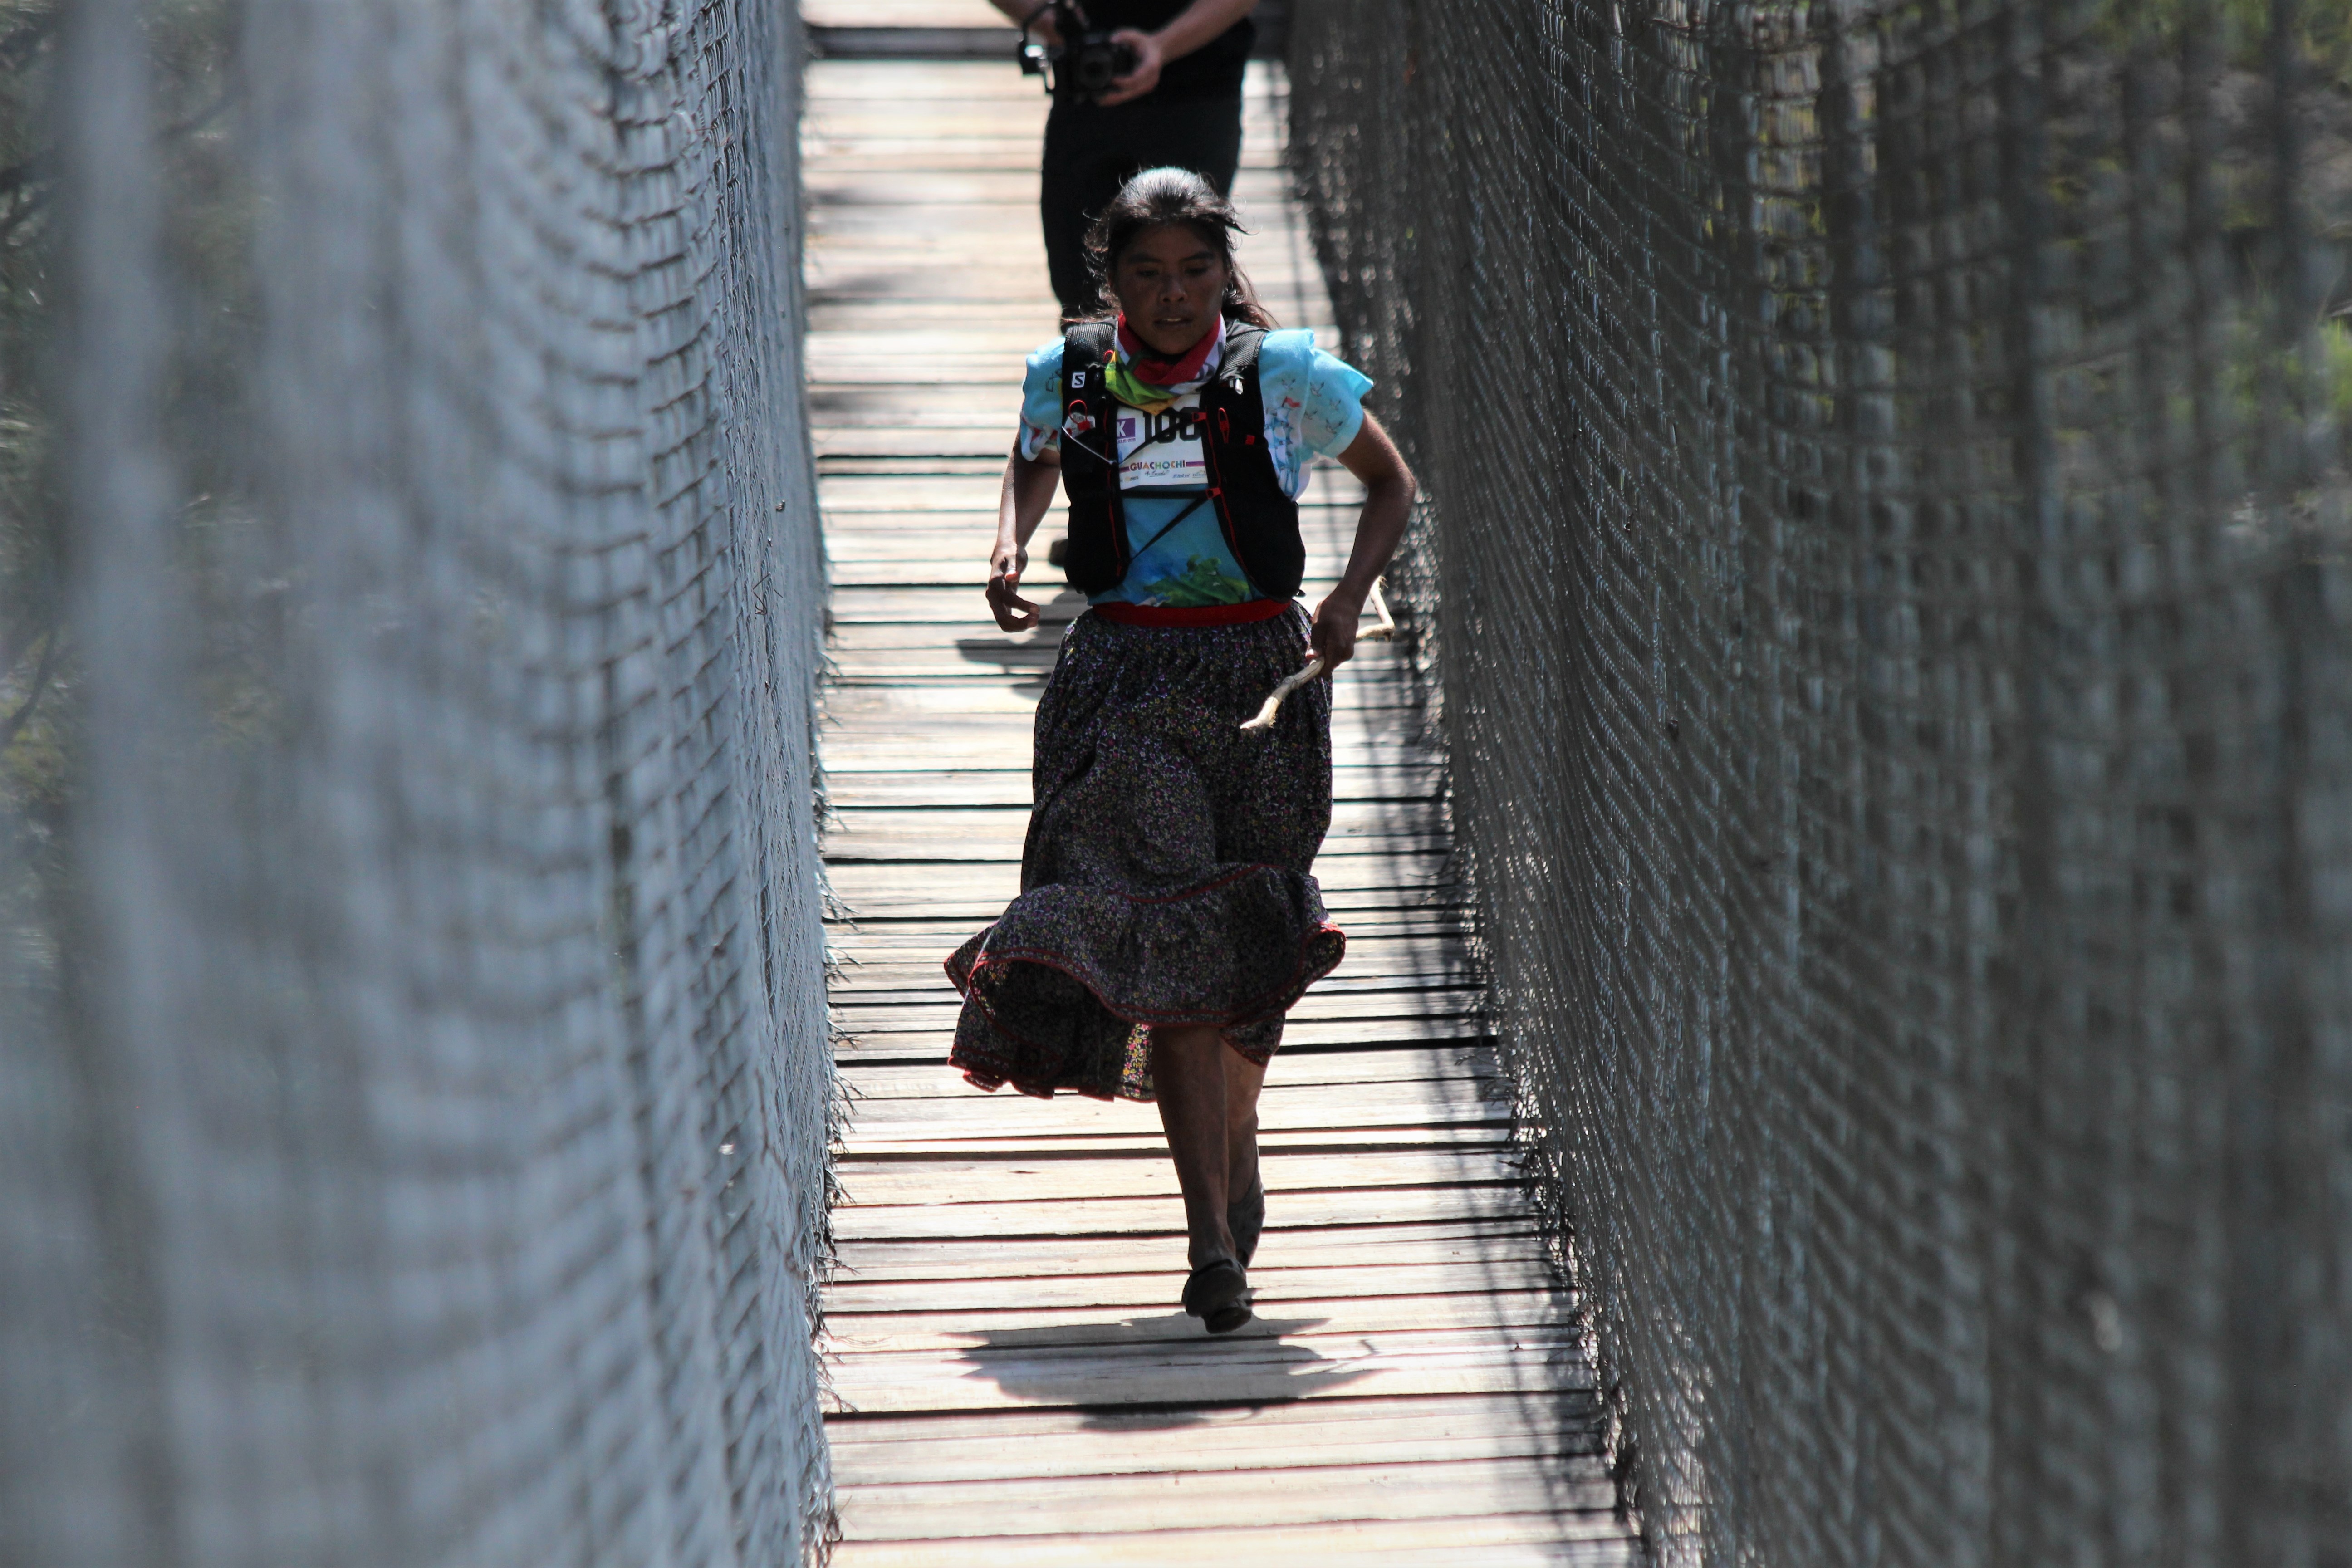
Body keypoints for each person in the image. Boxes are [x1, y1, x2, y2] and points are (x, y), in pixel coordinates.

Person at [945, 167, 1417, 1335]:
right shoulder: (1070, 375)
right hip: (1120, 679)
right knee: (1170, 924)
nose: (1172, 294)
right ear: (1110, 280)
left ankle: (1231, 1134)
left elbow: (1389, 484)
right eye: (1146, 274)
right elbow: (1033, 457)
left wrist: (1345, 600)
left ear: (1223, 272)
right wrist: (1009, 541)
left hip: (1259, 683)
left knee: (1249, 920)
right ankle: (1210, 1241)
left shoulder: (1283, 375)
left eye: (1195, 271)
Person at [990, 0, 1259, 318]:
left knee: (1188, 282)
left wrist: (1163, 45)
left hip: (1198, 96)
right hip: (1086, 92)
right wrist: (1054, 24)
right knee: (1081, 291)